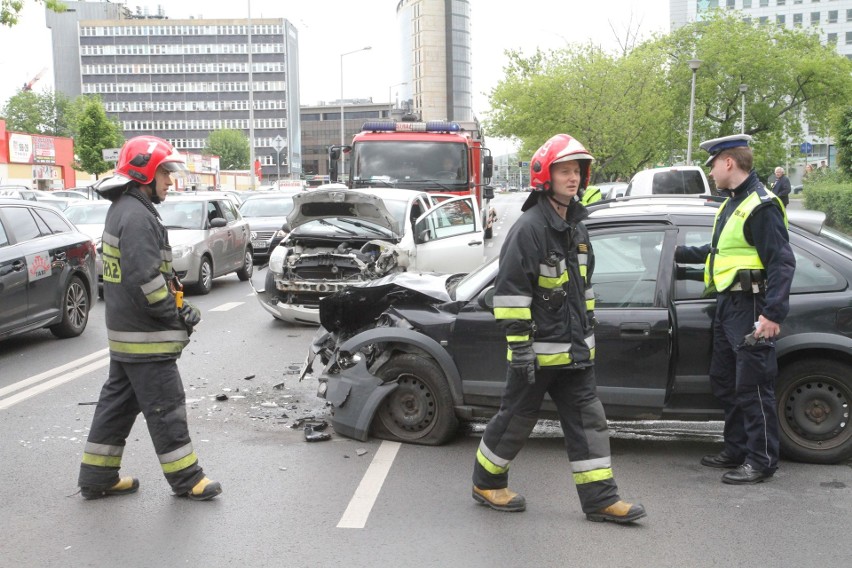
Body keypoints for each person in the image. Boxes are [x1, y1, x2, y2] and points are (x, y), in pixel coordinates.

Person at [471, 134, 646, 524]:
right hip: (536, 353)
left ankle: (601, 499)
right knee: (515, 420)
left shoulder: (576, 227)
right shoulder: (529, 229)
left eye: (577, 171)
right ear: (544, 176)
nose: (573, 178)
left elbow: (581, 293)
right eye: (564, 170)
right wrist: (520, 349)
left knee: (589, 421)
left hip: (575, 353)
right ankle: (486, 482)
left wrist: (585, 341)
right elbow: (511, 294)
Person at [77, 136, 222, 501]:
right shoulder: (138, 216)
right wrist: (177, 314)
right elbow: (147, 281)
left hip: (126, 333)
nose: (170, 181)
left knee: (116, 407)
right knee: (166, 407)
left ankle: (98, 477)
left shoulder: (123, 208)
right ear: (144, 172)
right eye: (164, 173)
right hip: (147, 337)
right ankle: (188, 479)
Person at [675, 134, 795, 485]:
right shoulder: (733, 202)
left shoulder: (761, 205)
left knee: (753, 386)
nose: (710, 172)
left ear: (728, 162)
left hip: (752, 305)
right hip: (728, 304)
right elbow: (722, 252)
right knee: (725, 380)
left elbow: (782, 263)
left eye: (712, 164)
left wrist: (773, 314)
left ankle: (762, 461)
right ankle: (736, 448)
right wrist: (677, 254)